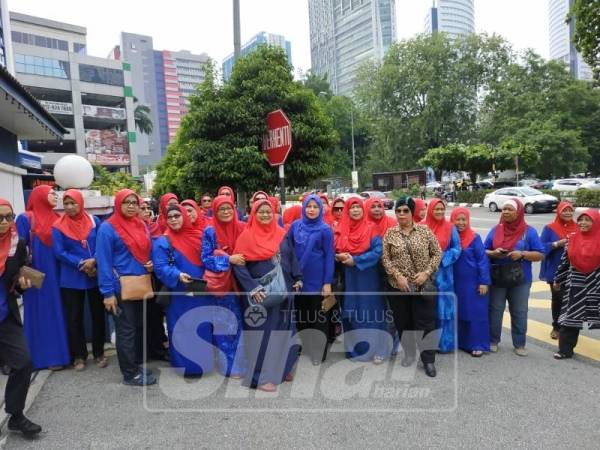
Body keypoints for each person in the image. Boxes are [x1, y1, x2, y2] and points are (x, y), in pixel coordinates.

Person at [232, 199, 302, 392]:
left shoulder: (281, 234)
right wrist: (253, 287)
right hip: (260, 294)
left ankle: (283, 369)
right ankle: (261, 377)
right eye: (260, 212)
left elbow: (291, 257)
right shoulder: (246, 237)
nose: (264, 215)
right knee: (263, 335)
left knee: (285, 330)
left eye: (268, 212)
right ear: (253, 214)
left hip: (284, 291)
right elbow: (239, 266)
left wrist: (298, 277)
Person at [96, 189, 156, 386]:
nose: (131, 206)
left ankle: (134, 365)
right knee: (126, 330)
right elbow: (103, 262)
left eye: (134, 202)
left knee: (137, 327)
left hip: (140, 283)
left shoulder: (140, 224)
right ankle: (130, 374)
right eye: (126, 202)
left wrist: (149, 263)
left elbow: (145, 251)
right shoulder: (107, 228)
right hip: (119, 286)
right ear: (118, 204)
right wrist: (107, 293)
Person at [381, 196, 442, 377]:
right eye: (398, 210)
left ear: (412, 212)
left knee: (425, 323)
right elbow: (386, 258)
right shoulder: (390, 233)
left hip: (422, 286)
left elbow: (437, 253)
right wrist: (398, 276)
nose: (401, 214)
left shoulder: (424, 231)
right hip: (398, 287)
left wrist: (426, 273)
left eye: (405, 210)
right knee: (403, 322)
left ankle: (428, 360)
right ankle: (408, 354)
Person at [153, 204, 213, 376]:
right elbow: (160, 267)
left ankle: (203, 364)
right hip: (180, 293)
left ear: (184, 217)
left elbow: (208, 258)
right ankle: (185, 367)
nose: (173, 219)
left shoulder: (199, 236)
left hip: (201, 290)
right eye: (169, 217)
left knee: (202, 326)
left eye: (177, 215)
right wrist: (177, 274)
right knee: (182, 327)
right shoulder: (163, 241)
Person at [0, 198, 42, 436]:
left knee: (23, 362)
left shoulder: (18, 244)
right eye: (0, 218)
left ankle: (15, 415)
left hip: (5, 314)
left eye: (9, 217)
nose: (5, 222)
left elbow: (17, 281)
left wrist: (23, 285)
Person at [52, 189, 107, 371]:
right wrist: (82, 263)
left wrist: (95, 260)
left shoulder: (94, 221)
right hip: (72, 276)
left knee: (98, 315)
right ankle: (79, 356)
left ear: (80, 203)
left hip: (94, 274)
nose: (69, 207)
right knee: (74, 318)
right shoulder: (58, 226)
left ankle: (99, 352)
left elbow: (102, 244)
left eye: (73, 203)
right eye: (66, 204)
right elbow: (59, 252)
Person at [16, 185, 70, 370]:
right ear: (39, 196)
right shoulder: (25, 218)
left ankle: (58, 356)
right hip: (35, 276)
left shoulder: (59, 218)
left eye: (56, 193)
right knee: (38, 315)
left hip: (56, 275)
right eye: (51, 193)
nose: (55, 196)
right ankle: (39, 358)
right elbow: (17, 248)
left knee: (57, 312)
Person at [484, 199, 544, 356]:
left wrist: (522, 254)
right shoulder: (496, 229)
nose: (505, 212)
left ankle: (519, 344)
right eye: (504, 209)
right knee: (495, 310)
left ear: (518, 212)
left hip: (520, 280)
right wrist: (494, 253)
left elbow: (540, 254)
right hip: (498, 277)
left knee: (519, 311)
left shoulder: (528, 232)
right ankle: (493, 340)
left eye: (510, 209)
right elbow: (483, 250)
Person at [334, 197, 391, 364]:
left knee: (372, 311)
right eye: (352, 208)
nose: (356, 210)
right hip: (348, 278)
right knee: (351, 310)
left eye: (358, 207)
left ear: (363, 209)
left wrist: (356, 261)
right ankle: (355, 350)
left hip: (368, 276)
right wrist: (339, 256)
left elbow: (378, 251)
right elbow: (334, 250)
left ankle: (378, 349)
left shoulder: (371, 227)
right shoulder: (341, 228)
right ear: (347, 210)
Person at [200, 195, 248, 377]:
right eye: (221, 209)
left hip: (243, 283)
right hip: (224, 287)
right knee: (226, 325)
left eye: (229, 208)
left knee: (246, 324)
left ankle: (245, 363)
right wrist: (228, 259)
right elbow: (205, 258)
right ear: (215, 211)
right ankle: (231, 367)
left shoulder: (243, 227)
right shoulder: (210, 231)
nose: (226, 212)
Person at [288, 195, 335, 365]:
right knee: (302, 315)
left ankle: (319, 352)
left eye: (316, 207)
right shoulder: (295, 226)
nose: (312, 210)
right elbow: (288, 249)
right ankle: (307, 347)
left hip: (318, 279)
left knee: (319, 316)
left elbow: (329, 257)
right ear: (304, 207)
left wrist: (327, 282)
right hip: (299, 279)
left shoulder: (325, 229)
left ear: (320, 209)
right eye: (309, 206)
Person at [553, 210, 600, 359]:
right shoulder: (572, 239)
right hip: (575, 284)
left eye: (588, 220)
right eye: (580, 220)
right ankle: (565, 350)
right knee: (570, 317)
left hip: (597, 284)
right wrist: (558, 279)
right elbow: (565, 262)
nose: (583, 223)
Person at [450, 208, 491, 356]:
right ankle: (461, 342)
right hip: (455, 282)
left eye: (464, 219)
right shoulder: (450, 238)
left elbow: (482, 261)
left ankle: (477, 343)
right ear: (452, 220)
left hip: (473, 283)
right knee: (459, 311)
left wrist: (483, 282)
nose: (461, 223)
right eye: (458, 219)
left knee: (475, 312)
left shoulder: (474, 237)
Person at [424, 199, 461, 353]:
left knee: (444, 310)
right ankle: (428, 345)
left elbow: (457, 248)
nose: (439, 212)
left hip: (444, 275)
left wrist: (441, 257)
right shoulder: (422, 227)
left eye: (442, 209)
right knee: (427, 310)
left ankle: (445, 344)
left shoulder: (450, 227)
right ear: (430, 210)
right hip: (426, 274)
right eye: (436, 209)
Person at [539, 202, 577, 339]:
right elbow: (541, 248)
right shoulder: (550, 228)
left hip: (575, 269)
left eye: (570, 210)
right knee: (558, 299)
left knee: (572, 300)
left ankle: (568, 327)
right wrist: (557, 244)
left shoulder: (578, 227)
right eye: (564, 210)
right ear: (559, 212)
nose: (567, 213)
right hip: (555, 270)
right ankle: (556, 326)